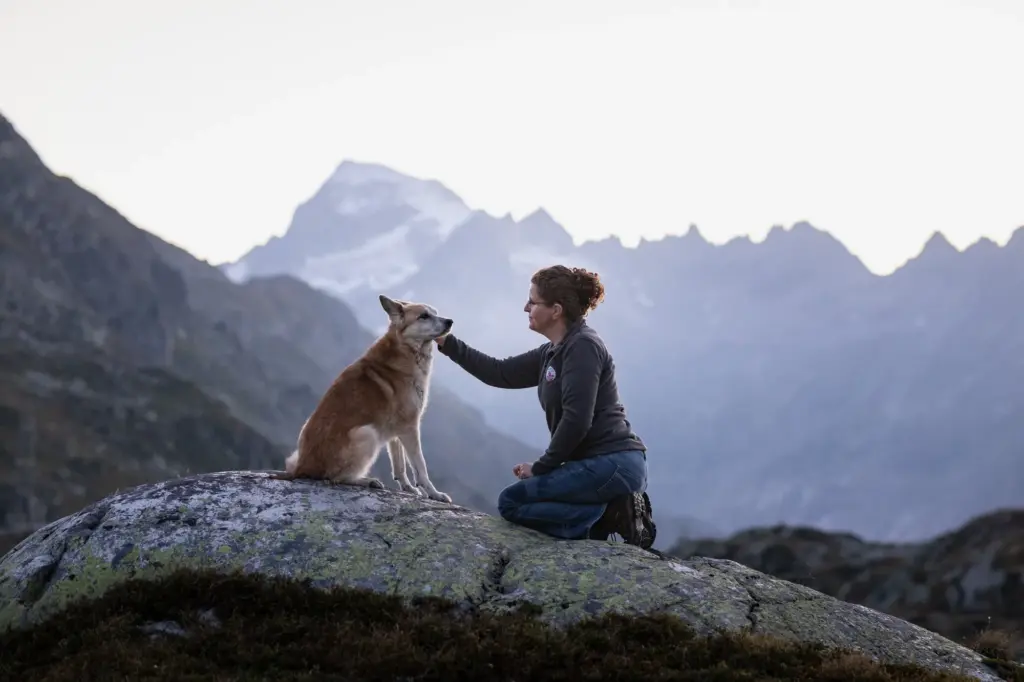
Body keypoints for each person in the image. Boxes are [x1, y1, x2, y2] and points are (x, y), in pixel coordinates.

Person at [435, 264, 656, 549]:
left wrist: (541, 468)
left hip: (613, 464)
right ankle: (608, 515)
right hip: (597, 465)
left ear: (556, 309)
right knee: (521, 500)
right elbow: (499, 372)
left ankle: (609, 516)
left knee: (512, 502)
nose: (526, 307)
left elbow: (577, 420)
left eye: (533, 301)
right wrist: (445, 341)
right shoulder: (553, 351)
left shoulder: (583, 347)